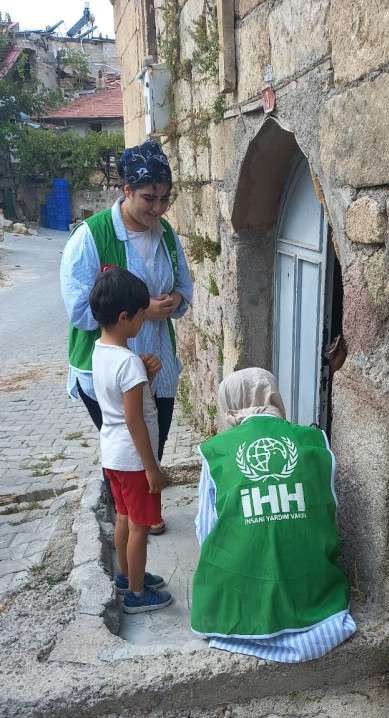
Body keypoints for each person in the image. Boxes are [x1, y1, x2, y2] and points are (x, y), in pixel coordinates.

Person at [60, 139, 193, 530]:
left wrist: (174, 300)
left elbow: (184, 289)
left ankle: (143, 514)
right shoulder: (91, 236)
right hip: (108, 369)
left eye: (165, 198)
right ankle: (128, 519)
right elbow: (80, 310)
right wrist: (143, 309)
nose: (158, 208)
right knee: (124, 446)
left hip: (157, 363)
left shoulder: (165, 235)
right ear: (127, 190)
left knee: (154, 439)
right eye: (149, 198)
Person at [191, 368, 356, 661]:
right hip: (313, 595)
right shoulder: (315, 441)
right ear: (274, 394)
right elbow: (328, 513)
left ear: (229, 403)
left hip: (241, 601)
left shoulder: (215, 452)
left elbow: (206, 532)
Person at [90, 267, 173, 614]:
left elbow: (122, 404)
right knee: (140, 526)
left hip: (113, 456)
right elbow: (135, 419)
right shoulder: (128, 363)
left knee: (124, 518)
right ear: (124, 317)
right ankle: (137, 594)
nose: (143, 321)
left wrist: (146, 377)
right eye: (141, 315)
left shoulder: (100, 351)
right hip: (135, 461)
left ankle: (127, 576)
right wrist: (152, 468)